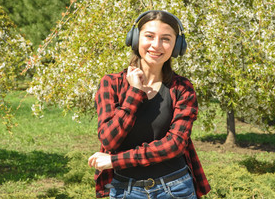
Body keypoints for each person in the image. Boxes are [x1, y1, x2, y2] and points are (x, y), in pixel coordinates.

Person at [88, 10, 210, 198]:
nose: (156, 45)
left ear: (176, 46)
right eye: (149, 36)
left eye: (166, 39)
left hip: (175, 188)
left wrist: (115, 161)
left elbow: (174, 144)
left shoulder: (182, 89)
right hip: (125, 191)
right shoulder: (111, 83)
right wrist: (135, 93)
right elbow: (108, 139)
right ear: (135, 39)